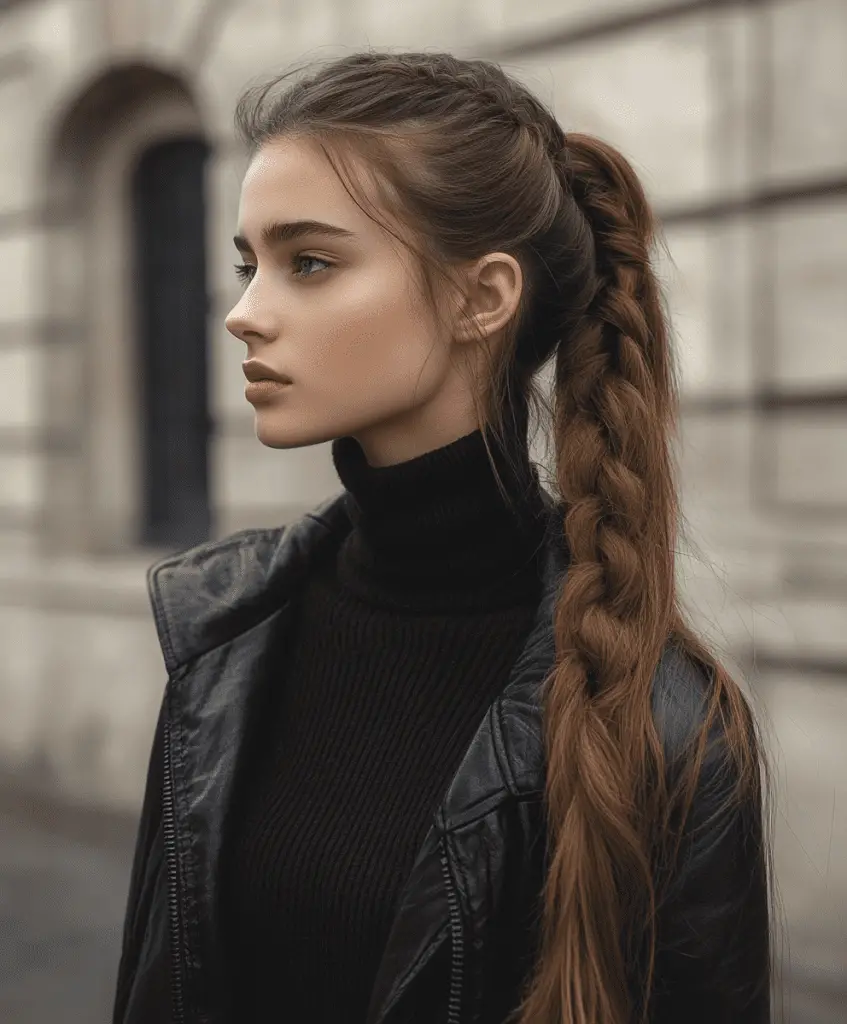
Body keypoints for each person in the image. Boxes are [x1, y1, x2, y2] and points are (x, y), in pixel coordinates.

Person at [112, 50, 772, 1024]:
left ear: (482, 297)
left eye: (310, 262)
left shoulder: (664, 728)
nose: (245, 315)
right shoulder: (226, 636)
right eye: (249, 265)